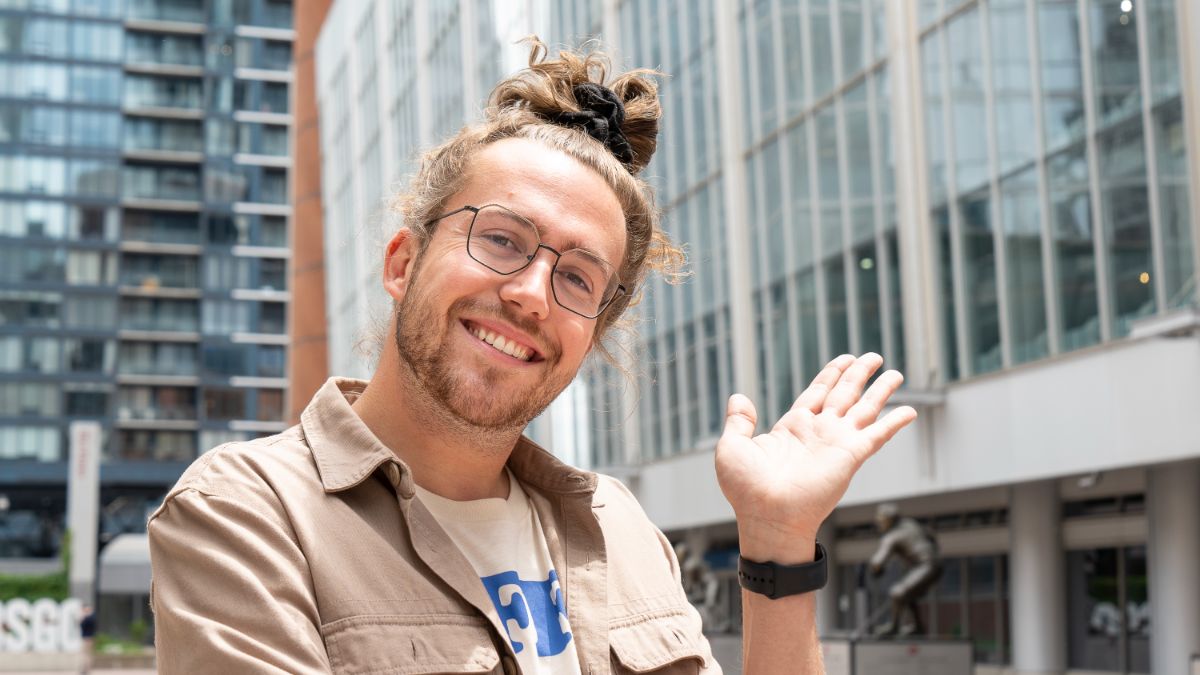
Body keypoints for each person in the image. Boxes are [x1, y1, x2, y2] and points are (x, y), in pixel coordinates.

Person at [147, 40, 917, 674]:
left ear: (593, 329)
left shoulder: (620, 528)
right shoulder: (246, 515)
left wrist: (777, 541)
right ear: (402, 262)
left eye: (578, 276)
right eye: (502, 239)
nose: (531, 294)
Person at [867, 503, 943, 637]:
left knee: (897, 592)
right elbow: (931, 537)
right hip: (936, 564)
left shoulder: (892, 536)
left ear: (888, 520)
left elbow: (877, 562)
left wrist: (875, 570)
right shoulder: (910, 524)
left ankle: (894, 627)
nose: (879, 524)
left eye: (881, 521)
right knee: (908, 595)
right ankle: (918, 626)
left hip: (925, 566)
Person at [79, 604, 96, 675]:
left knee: (86, 654)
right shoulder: (92, 618)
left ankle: (86, 669)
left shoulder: (88, 618)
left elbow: (82, 626)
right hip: (90, 637)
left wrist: (82, 618)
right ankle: (86, 669)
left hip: (87, 638)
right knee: (88, 654)